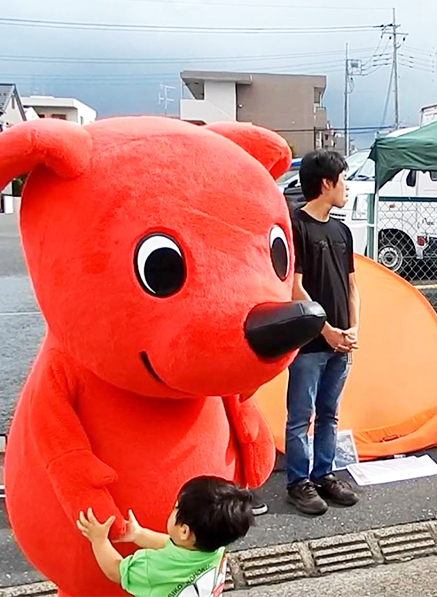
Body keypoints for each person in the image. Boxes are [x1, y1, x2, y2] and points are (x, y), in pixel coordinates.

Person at [286, 149, 361, 516]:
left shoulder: (342, 230)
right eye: (343, 180)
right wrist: (326, 329)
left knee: (329, 413)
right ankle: (298, 482)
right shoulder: (295, 226)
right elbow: (294, 287)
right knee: (301, 417)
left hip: (341, 342)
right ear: (327, 183)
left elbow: (352, 286)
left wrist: (353, 328)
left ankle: (324, 474)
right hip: (310, 342)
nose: (346, 187)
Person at [76, 475, 253, 596]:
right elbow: (171, 545)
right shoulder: (216, 549)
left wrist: (99, 540)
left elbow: (115, 571)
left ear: (184, 531)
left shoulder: (151, 566)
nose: (172, 509)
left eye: (176, 507)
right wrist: (139, 534)